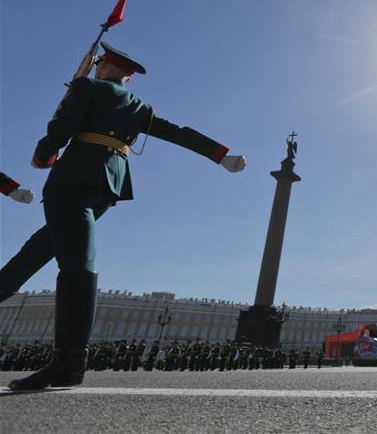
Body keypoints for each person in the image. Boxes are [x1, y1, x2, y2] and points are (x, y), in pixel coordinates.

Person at [5, 42, 246, 391]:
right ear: (128, 77)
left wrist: (43, 156)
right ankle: (67, 361)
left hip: (72, 180)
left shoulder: (86, 87)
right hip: (107, 186)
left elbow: (61, 128)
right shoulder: (138, 107)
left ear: (102, 65)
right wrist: (219, 155)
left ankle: (68, 362)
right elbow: (175, 132)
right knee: (37, 252)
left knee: (75, 264)